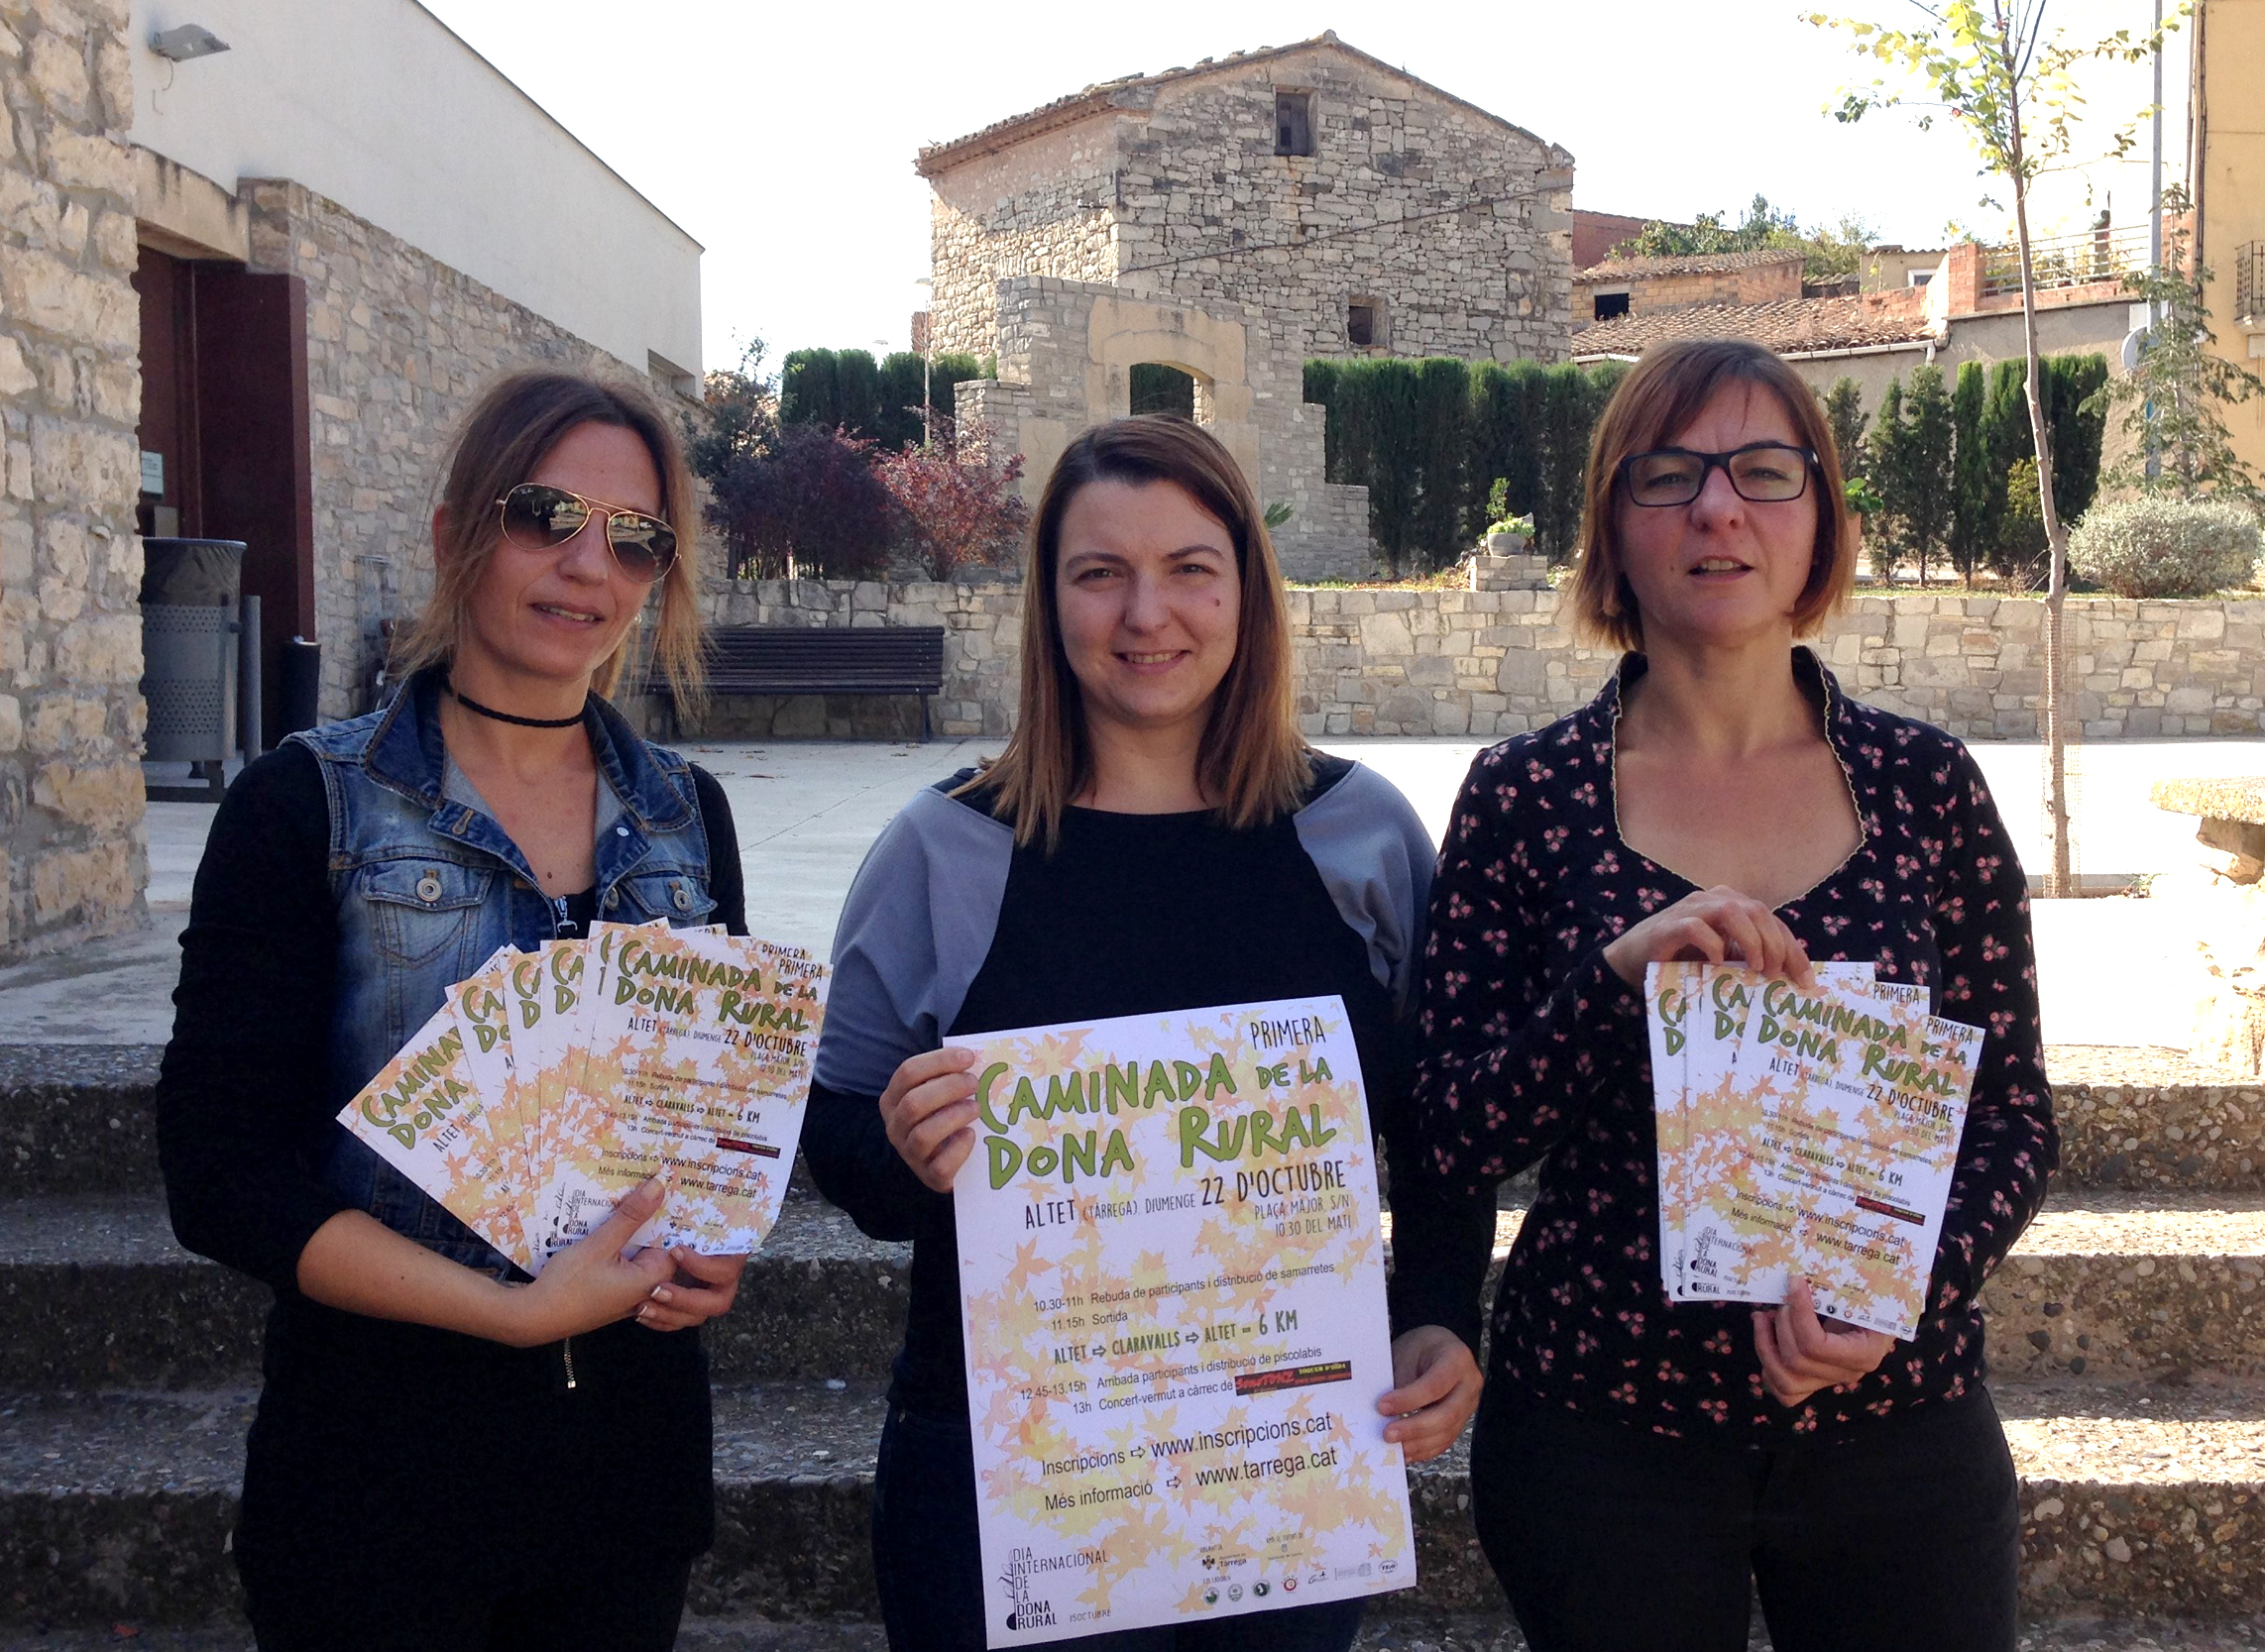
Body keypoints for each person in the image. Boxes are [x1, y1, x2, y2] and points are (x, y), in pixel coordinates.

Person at [803, 415, 1492, 1652]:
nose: (1145, 613)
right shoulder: (944, 847)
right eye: (1099, 571)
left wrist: (1440, 1307)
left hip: (1282, 1464)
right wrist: (901, 1150)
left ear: (1248, 591)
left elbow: (1437, 1122)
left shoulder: (1363, 835)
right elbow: (838, 1134)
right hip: (1010, 1475)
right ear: (1048, 601)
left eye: (1188, 567)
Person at [1414, 339, 2055, 1652]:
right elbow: (1450, 1130)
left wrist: (1909, 1292)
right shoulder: (1525, 795)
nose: (1717, 507)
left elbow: (2011, 1114)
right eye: (1669, 474)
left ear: (1820, 513)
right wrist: (1614, 983)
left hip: (1897, 1428)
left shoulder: (1926, 786)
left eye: (1765, 470)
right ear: (1613, 520)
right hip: (1601, 1434)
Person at [157, 371, 748, 1651]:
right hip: (379, 1479)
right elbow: (220, 1173)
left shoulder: (686, 816)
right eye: (547, 514)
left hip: (625, 1479)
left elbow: (711, 1127)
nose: (587, 564)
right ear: (455, 531)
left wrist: (709, 1242)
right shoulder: (306, 806)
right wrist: (515, 1311)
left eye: (634, 536)